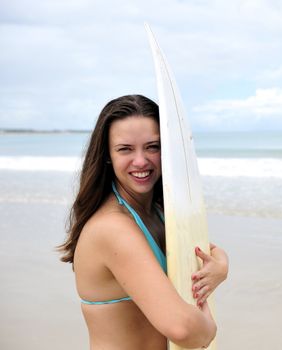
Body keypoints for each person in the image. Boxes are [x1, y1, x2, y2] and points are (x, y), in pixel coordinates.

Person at [58, 94, 228, 349]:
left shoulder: (156, 211)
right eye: (125, 149)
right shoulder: (112, 229)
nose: (141, 160)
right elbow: (183, 329)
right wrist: (208, 329)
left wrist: (221, 265)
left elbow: (201, 249)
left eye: (153, 146)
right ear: (107, 155)